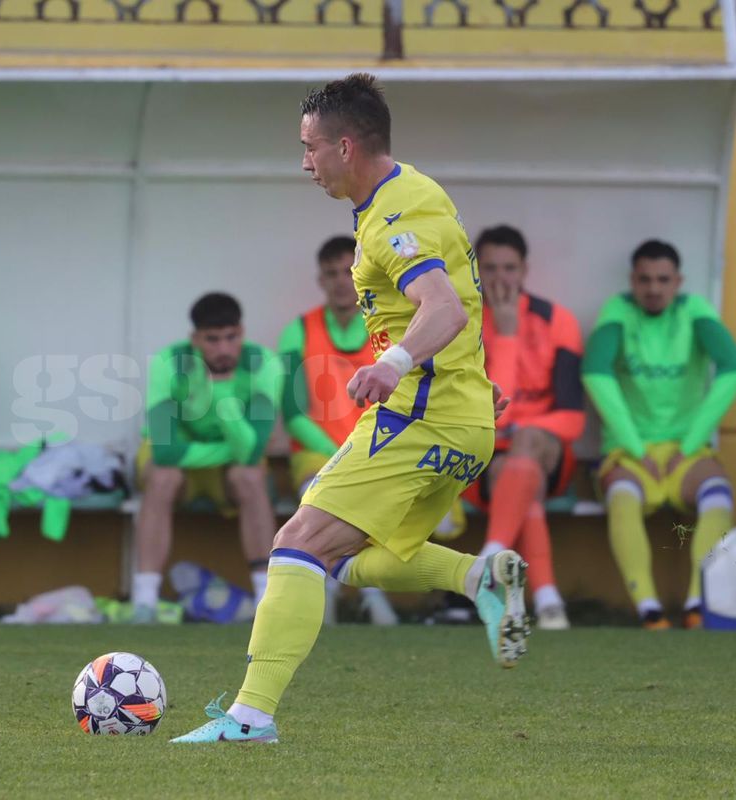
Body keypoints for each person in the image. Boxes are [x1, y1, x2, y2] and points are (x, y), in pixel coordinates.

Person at [173, 74, 526, 744]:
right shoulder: (412, 195)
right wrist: (468, 383)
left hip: (421, 417)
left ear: (343, 145)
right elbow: (458, 306)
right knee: (346, 559)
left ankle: (251, 716)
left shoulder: (395, 218)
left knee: (296, 544)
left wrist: (392, 366)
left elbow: (444, 307)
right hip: (461, 417)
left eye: (309, 148)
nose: (303, 162)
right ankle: (479, 575)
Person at [582, 239, 736, 630]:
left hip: (686, 452)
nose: (654, 288)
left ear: (678, 281)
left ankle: (696, 603)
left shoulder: (695, 311)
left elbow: (733, 367)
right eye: (645, 279)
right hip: (628, 452)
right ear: (632, 281)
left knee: (718, 493)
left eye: (663, 279)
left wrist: (689, 445)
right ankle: (649, 609)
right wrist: (635, 449)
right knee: (622, 497)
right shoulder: (618, 311)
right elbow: (595, 372)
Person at [462, 224, 585, 630]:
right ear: (476, 269)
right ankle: (548, 600)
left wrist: (518, 434)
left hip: (544, 450)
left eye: (509, 268)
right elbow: (491, 413)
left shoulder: (557, 321)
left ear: (525, 270)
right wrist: (507, 335)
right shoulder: (461, 321)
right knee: (522, 483)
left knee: (528, 446)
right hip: (484, 457)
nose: (500, 279)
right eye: (491, 268)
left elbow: (571, 418)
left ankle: (488, 560)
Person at [133, 292, 282, 624]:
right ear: (195, 339)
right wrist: (233, 440)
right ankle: (144, 603)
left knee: (250, 475)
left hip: (223, 469)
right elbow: (165, 450)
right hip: (182, 466)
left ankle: (265, 601)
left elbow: (254, 451)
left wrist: (227, 410)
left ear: (242, 332)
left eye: (231, 337)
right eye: (212, 340)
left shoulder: (264, 363)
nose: (223, 349)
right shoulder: (168, 362)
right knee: (162, 475)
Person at [278, 234, 397, 626]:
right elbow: (294, 413)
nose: (341, 281)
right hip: (316, 455)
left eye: (348, 272)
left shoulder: (388, 328)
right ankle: (343, 597)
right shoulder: (298, 330)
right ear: (321, 280)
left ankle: (362, 594)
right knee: (324, 498)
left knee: (374, 499)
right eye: (331, 274)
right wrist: (340, 457)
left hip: (376, 449)